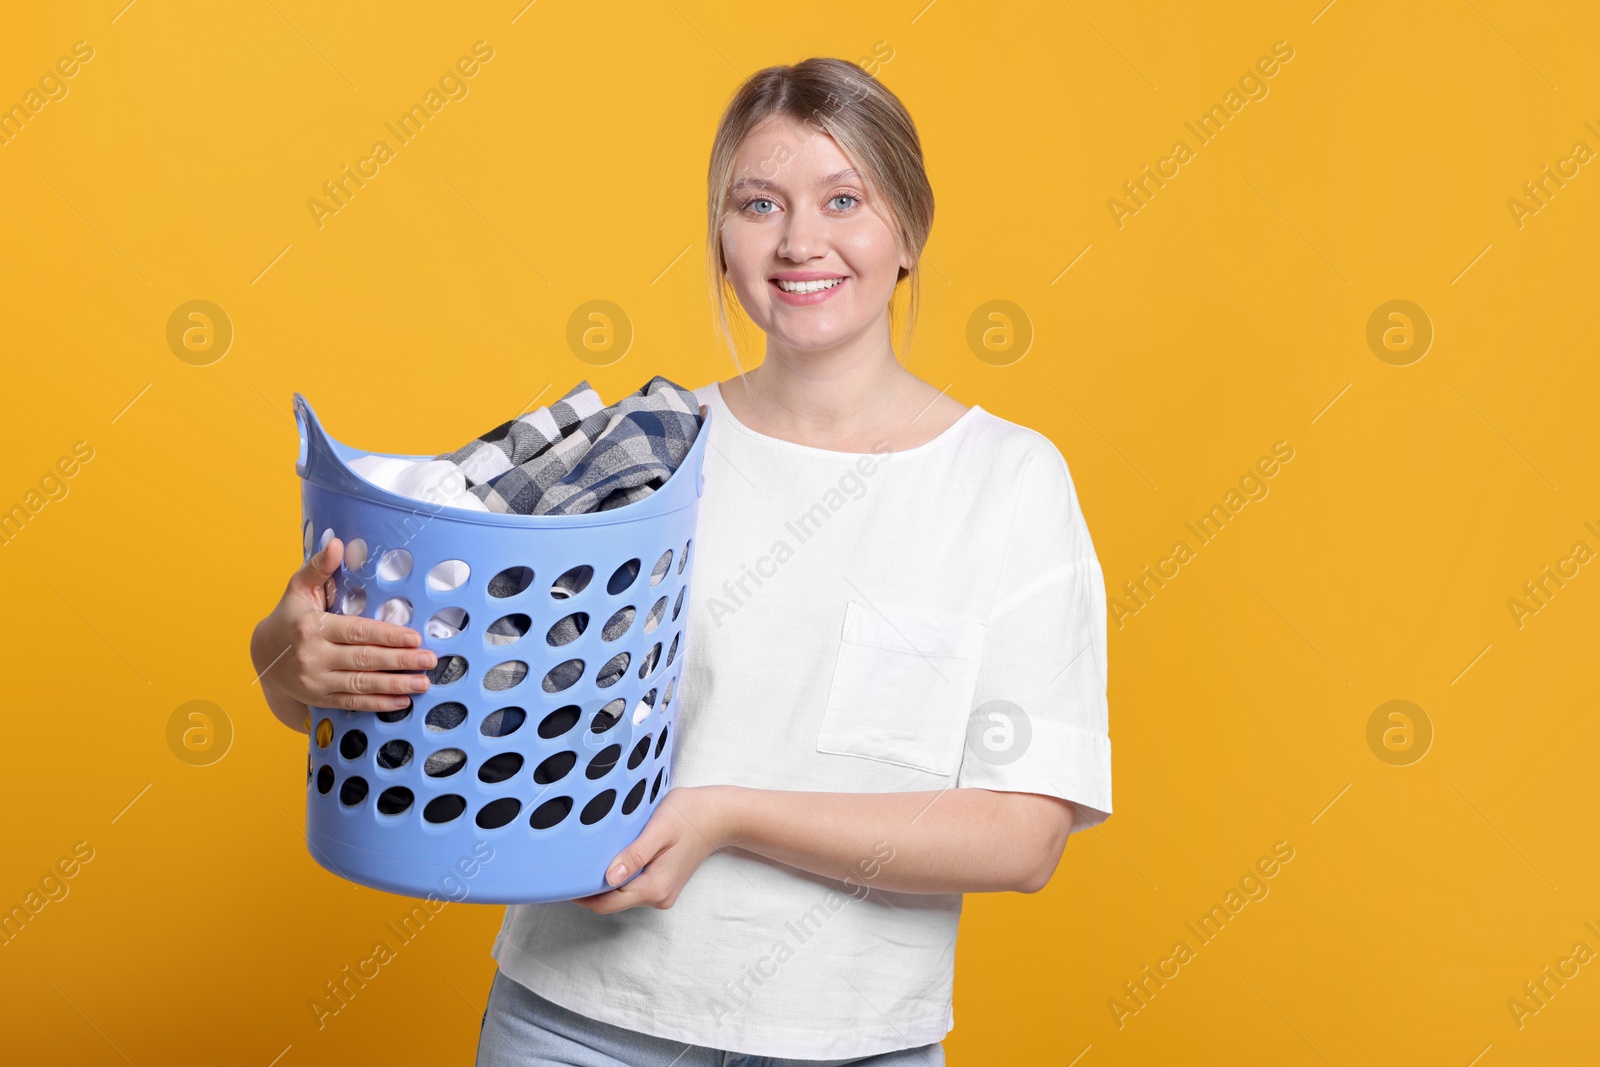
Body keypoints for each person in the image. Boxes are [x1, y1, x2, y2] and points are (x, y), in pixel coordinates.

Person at [250, 56, 1113, 1067]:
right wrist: (286, 656)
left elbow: (1022, 836)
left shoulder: (1006, 483)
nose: (800, 241)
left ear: (908, 231)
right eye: (759, 203)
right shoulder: (634, 453)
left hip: (851, 1041)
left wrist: (730, 815)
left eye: (845, 199)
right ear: (720, 238)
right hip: (576, 1022)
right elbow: (441, 691)